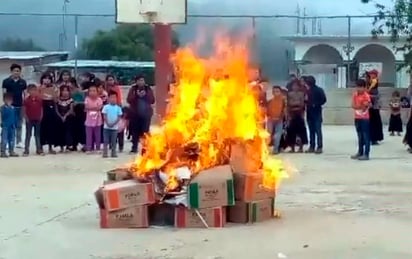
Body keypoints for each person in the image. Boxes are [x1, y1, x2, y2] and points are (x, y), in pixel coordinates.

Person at [127, 75, 155, 154]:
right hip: (135, 115)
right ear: (136, 82)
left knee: (145, 132)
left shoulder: (148, 89)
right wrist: (136, 95)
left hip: (146, 115)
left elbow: (152, 100)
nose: (141, 82)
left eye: (142, 80)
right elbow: (129, 99)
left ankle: (145, 149)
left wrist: (145, 95)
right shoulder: (133, 89)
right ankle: (134, 147)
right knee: (134, 132)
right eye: (139, 80)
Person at [2, 63, 27, 148]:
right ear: (11, 71)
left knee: (19, 124)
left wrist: (24, 105)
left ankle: (19, 141)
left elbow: (25, 94)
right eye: (15, 71)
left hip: (20, 105)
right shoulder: (6, 81)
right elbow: (4, 93)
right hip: (10, 106)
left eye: (18, 71)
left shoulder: (23, 82)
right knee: (9, 124)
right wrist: (6, 104)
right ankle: (8, 141)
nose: (16, 72)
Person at [304, 76, 327, 154]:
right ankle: (312, 146)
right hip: (309, 113)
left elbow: (324, 100)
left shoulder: (319, 90)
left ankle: (319, 147)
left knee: (317, 131)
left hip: (317, 113)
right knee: (311, 131)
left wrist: (316, 104)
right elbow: (305, 100)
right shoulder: (307, 91)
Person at [351, 79, 371, 161]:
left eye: (361, 87)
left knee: (366, 136)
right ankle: (360, 152)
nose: (359, 89)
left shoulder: (366, 96)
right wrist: (360, 106)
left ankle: (366, 154)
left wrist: (359, 106)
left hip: (364, 118)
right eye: (357, 87)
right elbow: (353, 105)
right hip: (357, 117)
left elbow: (365, 107)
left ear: (364, 87)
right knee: (359, 136)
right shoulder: (355, 95)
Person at [286, 80, 308, 153]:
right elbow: (288, 104)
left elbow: (302, 104)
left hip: (300, 114)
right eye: (293, 86)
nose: (295, 87)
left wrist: (295, 105)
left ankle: (301, 148)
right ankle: (292, 148)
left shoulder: (302, 94)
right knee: (291, 132)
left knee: (301, 131)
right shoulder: (289, 94)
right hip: (292, 114)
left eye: (296, 86)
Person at [39, 74, 58, 154]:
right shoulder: (39, 88)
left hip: (51, 108)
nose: (47, 80)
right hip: (42, 108)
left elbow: (56, 99)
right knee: (42, 128)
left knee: (51, 128)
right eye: (45, 78)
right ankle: (41, 147)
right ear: (42, 79)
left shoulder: (54, 88)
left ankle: (51, 147)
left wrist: (54, 92)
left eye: (49, 79)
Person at [23, 84, 44, 156]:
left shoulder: (39, 99)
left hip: (37, 119)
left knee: (37, 135)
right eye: (31, 90)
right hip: (29, 120)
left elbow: (41, 108)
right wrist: (26, 118)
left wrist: (41, 116)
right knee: (28, 135)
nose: (33, 92)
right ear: (28, 91)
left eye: (34, 90)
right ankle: (26, 150)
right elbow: (24, 110)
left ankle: (39, 149)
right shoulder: (26, 100)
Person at [102, 91, 123, 158]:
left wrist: (114, 123)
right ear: (108, 98)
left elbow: (119, 117)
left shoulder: (118, 108)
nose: (113, 99)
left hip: (114, 128)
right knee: (106, 141)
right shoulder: (106, 107)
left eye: (114, 97)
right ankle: (105, 153)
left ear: (117, 98)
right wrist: (107, 123)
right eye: (111, 97)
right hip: (106, 128)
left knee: (114, 141)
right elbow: (104, 116)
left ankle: (113, 153)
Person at [267, 85, 287, 154]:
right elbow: (267, 111)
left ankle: (275, 149)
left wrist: (283, 118)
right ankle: (266, 150)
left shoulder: (283, 101)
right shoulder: (270, 101)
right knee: (269, 135)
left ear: (280, 92)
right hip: (270, 120)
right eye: (274, 91)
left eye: (277, 91)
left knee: (277, 135)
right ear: (272, 93)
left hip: (279, 120)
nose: (276, 93)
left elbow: (284, 111)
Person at [366, 70, 384, 145]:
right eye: (371, 74)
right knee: (369, 123)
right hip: (369, 108)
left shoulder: (374, 84)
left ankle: (375, 138)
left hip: (374, 107)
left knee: (375, 123)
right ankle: (369, 138)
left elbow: (376, 96)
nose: (371, 76)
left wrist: (368, 95)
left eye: (373, 74)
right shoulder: (369, 84)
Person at [55, 85, 74, 152]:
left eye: (66, 90)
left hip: (68, 117)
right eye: (63, 90)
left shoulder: (70, 100)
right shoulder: (58, 100)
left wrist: (65, 116)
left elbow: (71, 109)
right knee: (60, 131)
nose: (65, 92)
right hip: (59, 118)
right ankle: (61, 146)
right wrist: (60, 116)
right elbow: (56, 109)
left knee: (68, 131)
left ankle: (68, 145)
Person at [84, 85, 103, 153]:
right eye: (90, 91)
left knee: (97, 135)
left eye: (94, 91)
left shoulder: (99, 99)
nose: (92, 92)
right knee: (89, 135)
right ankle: (89, 148)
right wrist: (94, 108)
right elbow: (86, 107)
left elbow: (99, 108)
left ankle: (98, 148)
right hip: (89, 121)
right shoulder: (87, 99)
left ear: (97, 92)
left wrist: (91, 108)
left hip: (98, 121)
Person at [70, 78, 86, 151]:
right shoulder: (68, 91)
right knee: (73, 128)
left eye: (70, 83)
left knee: (81, 127)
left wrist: (77, 103)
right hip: (71, 111)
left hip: (80, 110)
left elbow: (84, 101)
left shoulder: (79, 91)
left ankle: (84, 144)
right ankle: (74, 144)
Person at [1, 93, 19, 157]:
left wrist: (16, 124)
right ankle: (3, 152)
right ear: (4, 100)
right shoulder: (3, 108)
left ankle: (11, 151)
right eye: (7, 100)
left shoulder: (13, 108)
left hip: (12, 126)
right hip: (5, 126)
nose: (9, 101)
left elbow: (15, 116)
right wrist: (7, 107)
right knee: (4, 139)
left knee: (12, 139)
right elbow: (3, 116)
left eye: (10, 100)